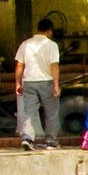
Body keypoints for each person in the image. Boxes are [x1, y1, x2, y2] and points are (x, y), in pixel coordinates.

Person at [14, 18, 61, 151]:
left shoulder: (25, 44)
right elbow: (54, 65)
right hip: (47, 82)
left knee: (30, 112)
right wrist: (56, 84)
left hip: (28, 81)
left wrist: (18, 83)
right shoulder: (52, 45)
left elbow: (19, 65)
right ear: (49, 31)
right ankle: (51, 141)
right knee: (51, 112)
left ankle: (28, 138)